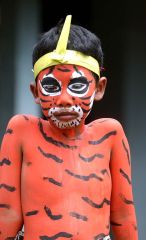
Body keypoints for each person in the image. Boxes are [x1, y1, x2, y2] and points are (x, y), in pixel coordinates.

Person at [0, 15, 138, 240]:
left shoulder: (110, 134)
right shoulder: (21, 131)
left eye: (77, 85)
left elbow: (123, 215)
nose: (64, 99)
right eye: (51, 86)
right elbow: (7, 212)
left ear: (99, 88)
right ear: (36, 92)